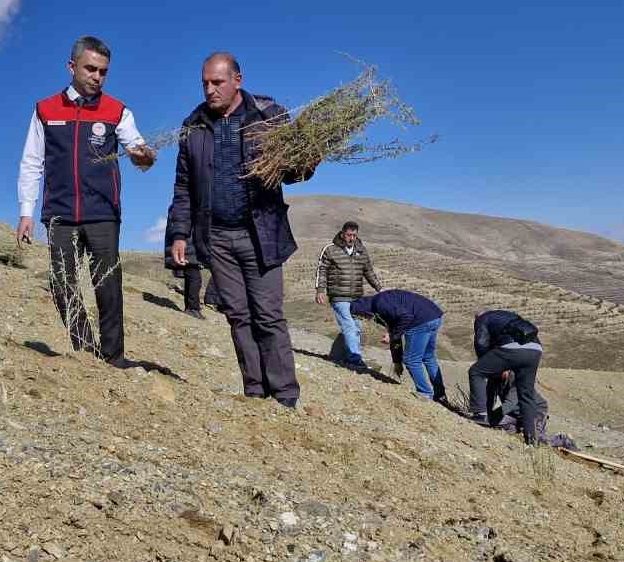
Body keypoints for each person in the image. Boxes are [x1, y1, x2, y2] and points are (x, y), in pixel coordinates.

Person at [166, 52, 315, 408]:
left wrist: (308, 156)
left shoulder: (268, 116)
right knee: (237, 315)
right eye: (205, 83)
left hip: (260, 233)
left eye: (217, 82)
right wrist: (179, 233)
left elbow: (294, 173)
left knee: (268, 315)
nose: (209, 90)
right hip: (216, 237)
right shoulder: (194, 126)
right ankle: (254, 390)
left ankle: (284, 395)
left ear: (237, 80)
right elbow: (184, 186)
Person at [16, 36, 156, 364]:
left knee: (107, 286)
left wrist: (144, 157)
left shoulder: (117, 111)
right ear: (72, 67)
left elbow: (138, 150)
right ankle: (85, 352)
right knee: (63, 284)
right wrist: (26, 212)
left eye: (103, 71)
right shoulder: (45, 110)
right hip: (59, 214)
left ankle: (113, 357)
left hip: (102, 213)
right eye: (90, 68)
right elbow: (32, 162)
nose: (97, 76)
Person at [349, 289, 445, 401]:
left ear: (364, 311)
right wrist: (397, 362)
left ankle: (425, 393)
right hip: (434, 315)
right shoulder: (380, 303)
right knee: (428, 357)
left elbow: (406, 318)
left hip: (420, 321)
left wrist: (391, 335)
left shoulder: (380, 305)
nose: (366, 319)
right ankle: (440, 396)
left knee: (411, 360)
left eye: (363, 317)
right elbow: (396, 334)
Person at [468, 309, 548, 442]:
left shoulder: (483, 319)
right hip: (536, 349)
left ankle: (480, 415)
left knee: (475, 372)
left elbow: (481, 343)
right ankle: (531, 438)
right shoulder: (509, 316)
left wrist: (487, 365)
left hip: (514, 348)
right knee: (526, 394)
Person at [315, 220, 383, 370]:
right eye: (348, 235)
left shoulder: (361, 250)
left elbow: (368, 271)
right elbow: (322, 271)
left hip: (357, 297)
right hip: (339, 296)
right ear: (342, 233)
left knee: (356, 327)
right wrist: (320, 290)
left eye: (354, 235)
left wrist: (380, 289)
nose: (351, 238)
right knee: (349, 326)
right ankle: (354, 359)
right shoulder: (330, 249)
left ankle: (347, 356)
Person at [164, 236, 206, 319]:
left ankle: (190, 307)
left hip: (187, 251)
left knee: (191, 279)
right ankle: (192, 308)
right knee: (195, 280)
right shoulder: (185, 225)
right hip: (187, 251)